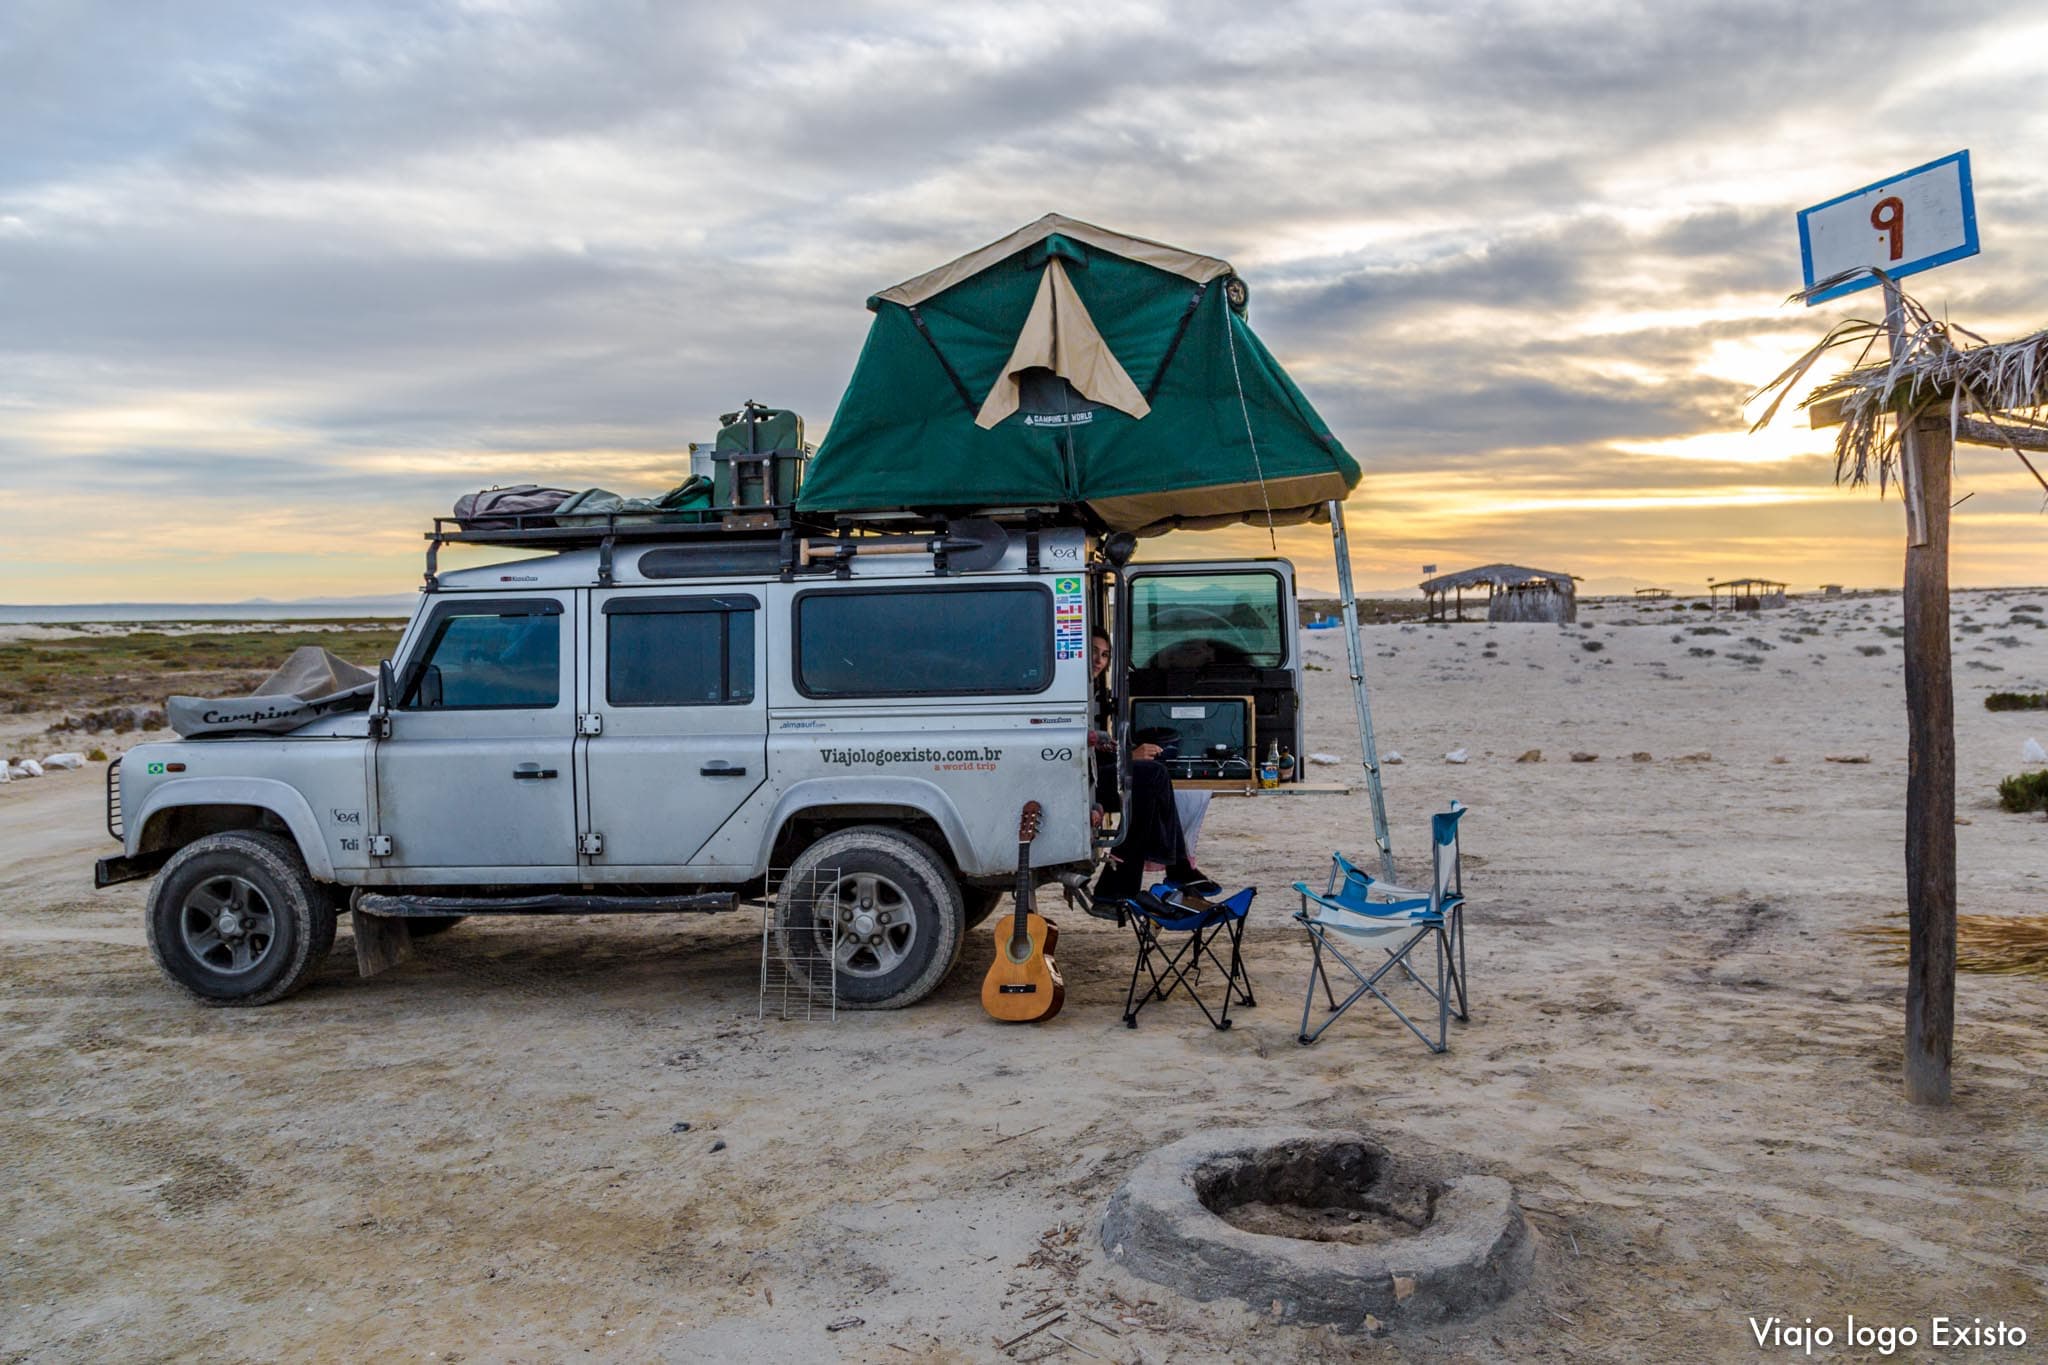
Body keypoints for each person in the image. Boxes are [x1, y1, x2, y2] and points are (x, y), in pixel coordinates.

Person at [1089, 630, 1218, 904]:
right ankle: (1175, 869)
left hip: (1093, 771)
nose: (1098, 660)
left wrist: (1117, 749)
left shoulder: (1094, 692)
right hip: (1080, 779)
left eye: (1104, 655)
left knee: (1151, 776)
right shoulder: (1073, 693)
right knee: (1151, 776)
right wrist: (1129, 756)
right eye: (1092, 652)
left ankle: (1125, 882)